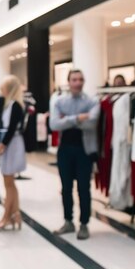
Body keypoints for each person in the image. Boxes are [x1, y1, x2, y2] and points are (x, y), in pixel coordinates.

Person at [49, 69, 99, 240]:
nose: (77, 82)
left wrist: (68, 119)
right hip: (65, 151)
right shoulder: (60, 101)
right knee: (66, 188)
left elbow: (92, 123)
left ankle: (84, 223)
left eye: (80, 79)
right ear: (68, 82)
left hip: (84, 151)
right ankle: (68, 221)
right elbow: (54, 124)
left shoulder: (92, 101)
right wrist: (79, 118)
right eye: (74, 79)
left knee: (84, 189)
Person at [0, 75, 26, 231]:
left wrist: (2, 145)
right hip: (9, 144)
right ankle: (15, 215)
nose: (1, 90)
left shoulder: (14, 105)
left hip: (10, 145)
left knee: (8, 183)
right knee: (10, 183)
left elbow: (11, 128)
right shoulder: (10, 104)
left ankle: (6, 218)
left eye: (3, 87)